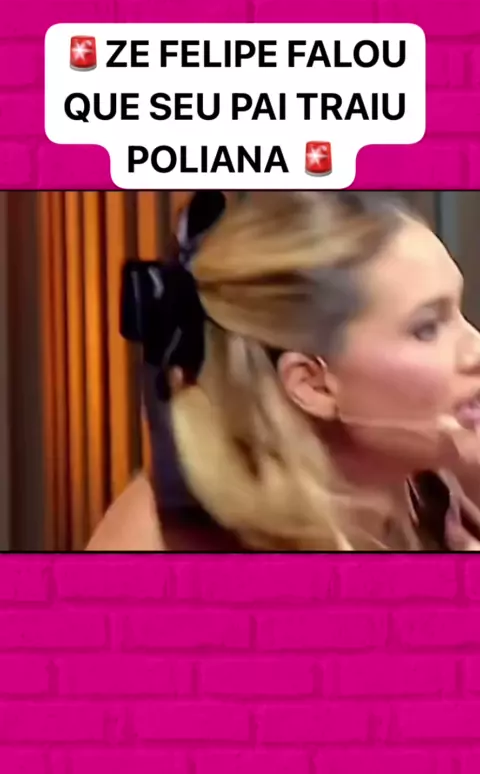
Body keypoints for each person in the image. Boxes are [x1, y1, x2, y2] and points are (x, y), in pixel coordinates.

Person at [87, 191, 480, 552]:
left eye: (458, 312)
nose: (475, 349)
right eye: (427, 328)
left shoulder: (438, 487)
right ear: (313, 384)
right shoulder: (161, 546)